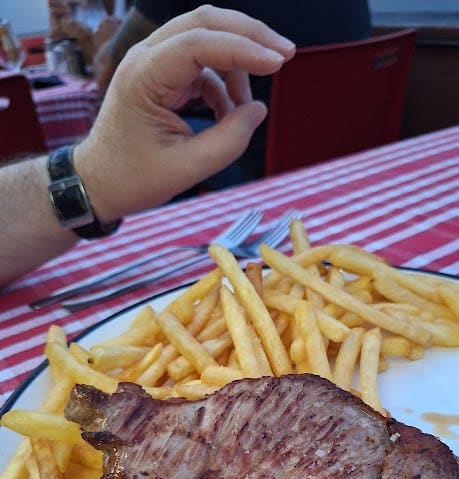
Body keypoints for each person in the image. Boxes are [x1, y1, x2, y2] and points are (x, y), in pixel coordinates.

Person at [0, 6, 295, 288]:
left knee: (190, 126)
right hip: (281, 167)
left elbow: (106, 66)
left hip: (249, 170)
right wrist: (93, 175)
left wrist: (92, 174)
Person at [94, 1, 372, 185]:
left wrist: (102, 39)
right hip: (351, 160)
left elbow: (107, 70)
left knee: (162, 130)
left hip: (259, 170)